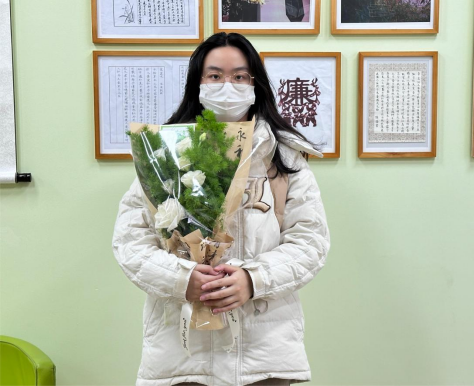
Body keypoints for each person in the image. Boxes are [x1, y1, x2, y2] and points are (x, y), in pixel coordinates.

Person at [112, 32, 331, 386]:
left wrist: (252, 279)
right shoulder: (165, 153)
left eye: (240, 76)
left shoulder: (283, 157)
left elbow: (311, 242)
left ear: (255, 84)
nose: (227, 86)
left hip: (263, 354)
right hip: (182, 356)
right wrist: (182, 279)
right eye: (214, 76)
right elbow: (130, 242)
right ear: (197, 84)